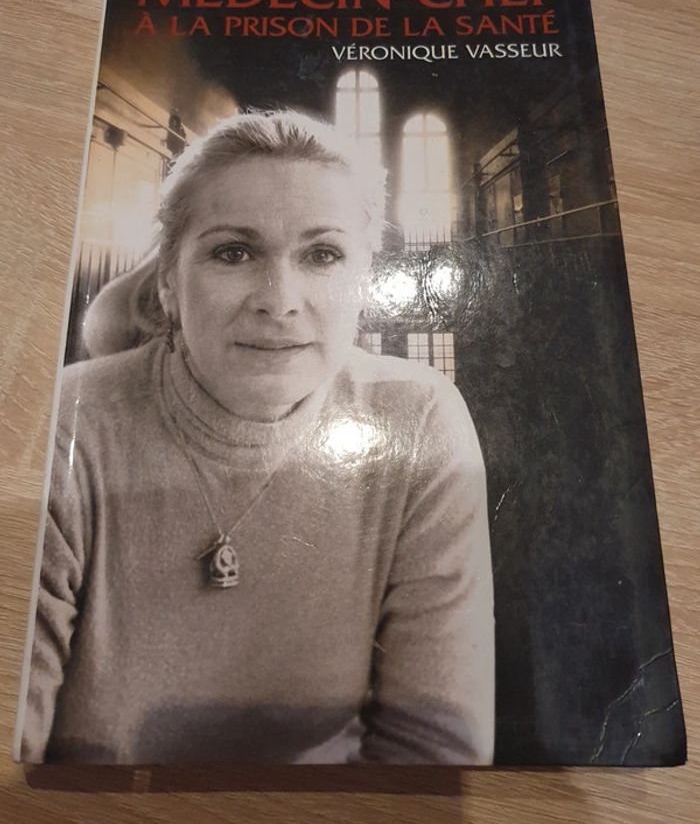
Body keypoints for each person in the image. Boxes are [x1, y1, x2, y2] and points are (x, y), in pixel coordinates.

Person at [20, 109, 494, 765]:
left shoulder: (419, 421)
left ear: (365, 282)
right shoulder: (64, 422)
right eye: (233, 253)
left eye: (322, 255)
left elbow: (433, 751)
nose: (280, 299)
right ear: (169, 282)